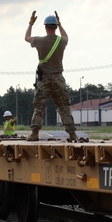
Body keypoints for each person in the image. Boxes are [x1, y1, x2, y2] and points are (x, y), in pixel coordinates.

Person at [24, 10, 78, 141]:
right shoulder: (61, 41)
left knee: (39, 107)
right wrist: (60, 24)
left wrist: (30, 23)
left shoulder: (39, 41)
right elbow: (66, 37)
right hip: (58, 78)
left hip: (44, 79)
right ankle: (72, 134)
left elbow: (26, 38)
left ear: (45, 27)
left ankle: (35, 133)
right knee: (63, 107)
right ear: (55, 27)